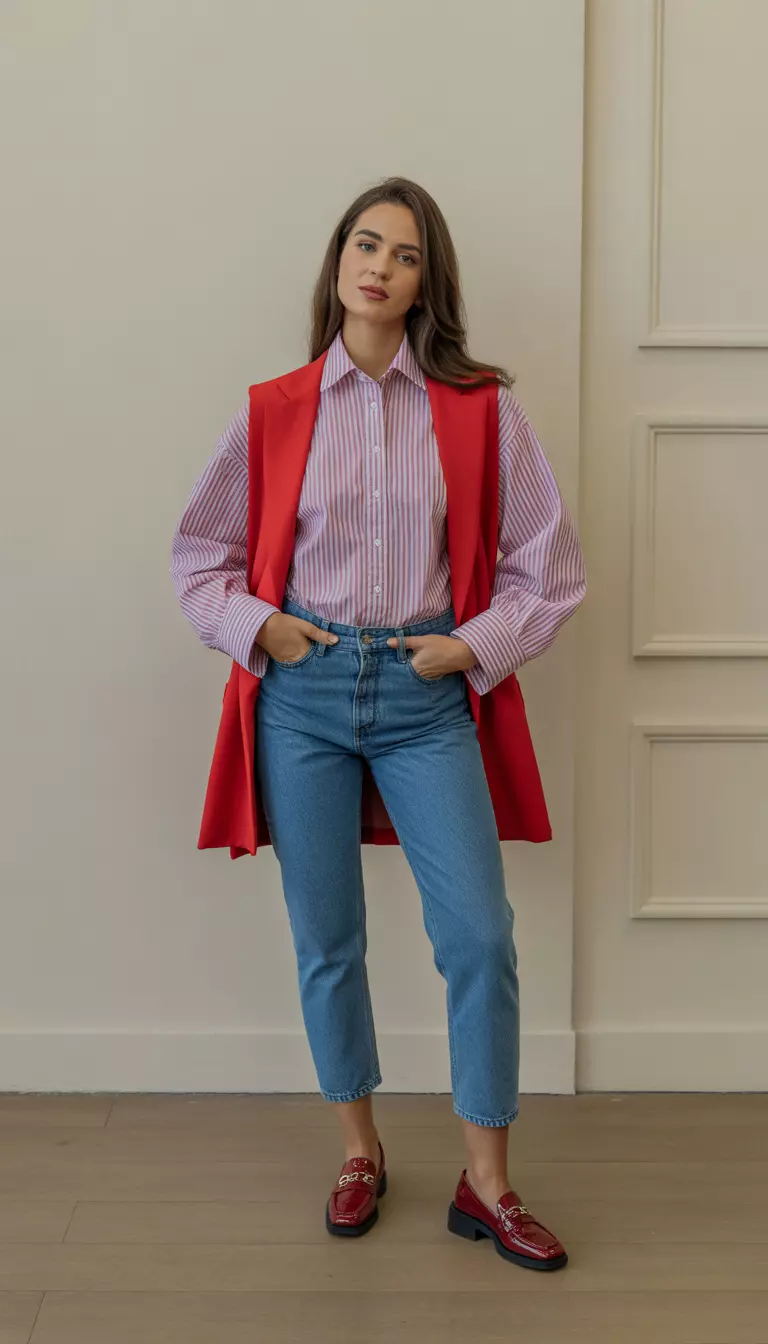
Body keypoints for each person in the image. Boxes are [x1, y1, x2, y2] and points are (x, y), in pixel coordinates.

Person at [170, 175, 586, 1271]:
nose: (380, 266)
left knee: (480, 939)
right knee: (328, 940)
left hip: (423, 697)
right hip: (302, 695)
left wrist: (474, 646)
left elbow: (552, 570)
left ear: (424, 284)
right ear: (338, 261)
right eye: (367, 243)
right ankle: (360, 1149)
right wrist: (264, 629)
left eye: (405, 255)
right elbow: (196, 559)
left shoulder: (480, 407)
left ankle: (486, 1182)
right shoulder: (272, 409)